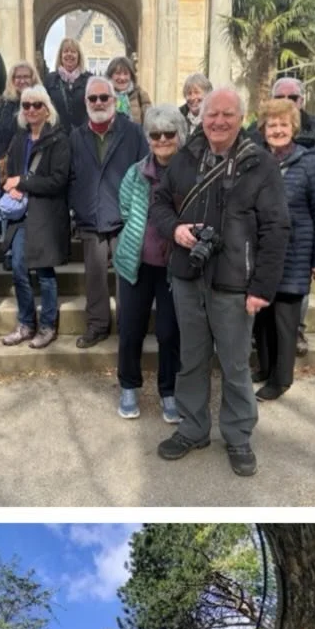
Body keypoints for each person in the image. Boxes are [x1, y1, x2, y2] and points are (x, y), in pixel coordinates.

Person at [151, 86, 290, 476]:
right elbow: (158, 204)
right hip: (187, 276)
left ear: (241, 118)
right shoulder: (185, 157)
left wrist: (262, 287)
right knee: (191, 359)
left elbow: (277, 229)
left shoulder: (259, 164)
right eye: (212, 114)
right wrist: (175, 230)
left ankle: (238, 435)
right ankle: (194, 428)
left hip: (234, 283)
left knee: (234, 364)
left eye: (228, 114)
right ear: (202, 117)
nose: (218, 121)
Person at [252, 98, 315, 401]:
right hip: (262, 253)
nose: (277, 130)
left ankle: (281, 379)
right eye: (271, 125)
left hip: (295, 252)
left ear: (294, 127)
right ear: (263, 129)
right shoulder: (258, 159)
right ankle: (264, 367)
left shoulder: (308, 162)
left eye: (283, 125)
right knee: (262, 315)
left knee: (285, 321)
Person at [112, 104, 187, 423]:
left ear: (179, 135)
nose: (162, 139)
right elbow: (126, 209)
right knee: (130, 329)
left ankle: (169, 391)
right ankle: (129, 386)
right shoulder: (136, 172)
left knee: (170, 332)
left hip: (174, 266)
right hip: (137, 263)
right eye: (155, 134)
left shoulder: (189, 172)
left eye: (169, 133)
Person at [66, 76, 147, 348]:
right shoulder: (76, 136)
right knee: (95, 278)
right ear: (85, 102)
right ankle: (98, 326)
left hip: (125, 219)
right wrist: (78, 208)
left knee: (127, 278)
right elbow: (72, 176)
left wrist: (137, 213)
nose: (99, 102)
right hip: (91, 218)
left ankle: (129, 327)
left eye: (104, 97)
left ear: (114, 100)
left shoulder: (133, 132)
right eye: (93, 98)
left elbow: (145, 174)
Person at [269, 76, 315, 357]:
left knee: (300, 284)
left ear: (303, 100)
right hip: (269, 225)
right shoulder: (259, 128)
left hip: (304, 224)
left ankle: (296, 330)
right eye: (281, 98)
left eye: (293, 98)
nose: (287, 103)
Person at [0, 84, 70, 350]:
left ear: (47, 109)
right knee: (18, 267)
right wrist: (13, 185)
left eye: (36, 105)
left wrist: (24, 182)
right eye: (26, 105)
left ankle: (48, 325)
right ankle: (26, 322)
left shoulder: (59, 140)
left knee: (44, 270)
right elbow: (14, 175)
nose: (31, 110)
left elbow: (58, 180)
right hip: (21, 214)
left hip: (46, 214)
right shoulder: (19, 140)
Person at [0, 61, 38, 159]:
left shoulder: (41, 104)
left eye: (26, 77)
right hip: (6, 161)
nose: (22, 81)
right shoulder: (2, 105)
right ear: (12, 80)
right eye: (18, 77)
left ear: (33, 79)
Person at [45, 38, 90, 130]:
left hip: (83, 134)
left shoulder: (89, 79)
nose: (69, 54)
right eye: (66, 51)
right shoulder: (50, 80)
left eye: (73, 52)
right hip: (57, 135)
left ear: (79, 56)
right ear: (61, 56)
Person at [107, 56, 150, 125]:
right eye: (118, 73)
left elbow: (149, 124)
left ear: (131, 76)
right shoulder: (103, 96)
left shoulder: (141, 95)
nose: (122, 77)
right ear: (110, 75)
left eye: (126, 73)